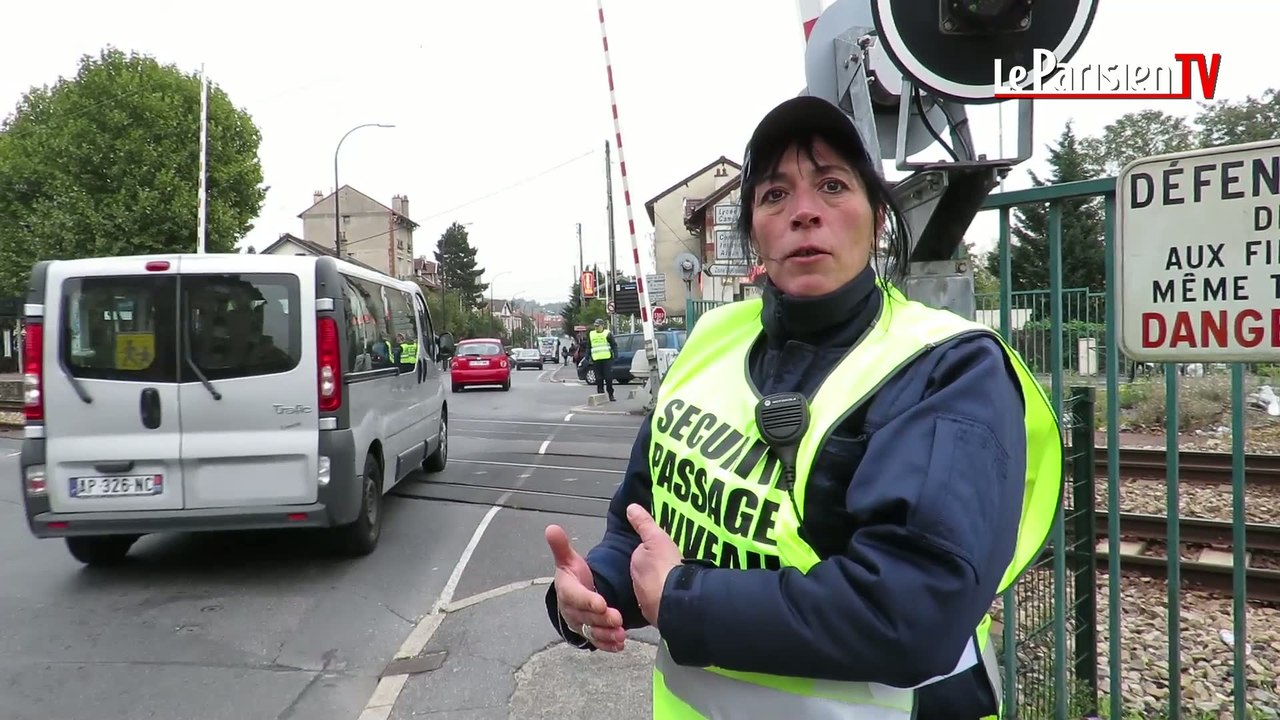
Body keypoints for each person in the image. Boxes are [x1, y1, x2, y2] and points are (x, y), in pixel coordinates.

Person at [541, 95, 1063, 720]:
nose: (805, 213)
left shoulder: (949, 369)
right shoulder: (711, 341)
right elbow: (643, 521)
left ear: (876, 216)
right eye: (775, 195)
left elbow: (911, 612)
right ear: (755, 233)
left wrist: (684, 599)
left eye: (833, 185)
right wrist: (596, 589)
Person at [587, 318, 617, 402]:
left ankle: (611, 394)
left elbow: (614, 345)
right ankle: (600, 395)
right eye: (595, 326)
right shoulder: (591, 334)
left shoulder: (607, 333)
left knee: (608, 378)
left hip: (607, 359)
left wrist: (616, 354)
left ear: (602, 326)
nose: (596, 328)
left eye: (598, 326)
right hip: (596, 359)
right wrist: (587, 356)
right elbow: (589, 346)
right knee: (599, 378)